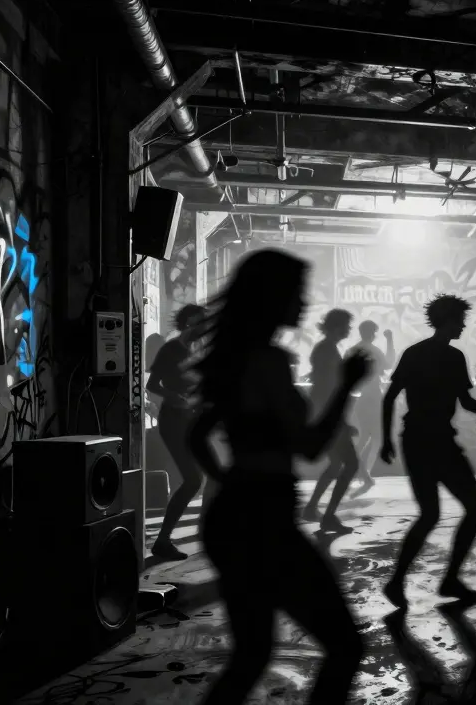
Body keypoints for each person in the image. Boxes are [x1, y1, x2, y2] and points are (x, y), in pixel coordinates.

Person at [187, 249, 368, 705]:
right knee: (345, 646)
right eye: (297, 293)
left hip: (236, 515)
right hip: (263, 519)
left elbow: (196, 436)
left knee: (251, 656)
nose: (304, 303)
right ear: (271, 298)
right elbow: (309, 447)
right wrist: (347, 385)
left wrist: (230, 482)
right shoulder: (267, 361)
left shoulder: (235, 358)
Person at [379, 295, 476, 612]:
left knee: (431, 514)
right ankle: (447, 580)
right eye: (460, 321)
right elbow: (467, 403)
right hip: (438, 442)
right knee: (473, 508)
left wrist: (387, 440)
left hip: (416, 440)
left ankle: (400, 581)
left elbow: (390, 398)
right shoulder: (454, 357)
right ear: (448, 321)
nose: (464, 326)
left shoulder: (416, 353)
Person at [145, 304, 207, 560]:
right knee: (193, 479)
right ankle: (162, 540)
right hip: (173, 421)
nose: (203, 328)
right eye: (199, 323)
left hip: (190, 419)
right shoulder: (171, 349)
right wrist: (173, 396)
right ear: (188, 324)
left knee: (197, 478)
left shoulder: (196, 349)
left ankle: (167, 538)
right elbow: (152, 385)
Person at [302, 309, 360, 533]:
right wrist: (341, 421)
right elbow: (328, 390)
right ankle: (328, 516)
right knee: (351, 465)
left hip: (324, 417)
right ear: (338, 326)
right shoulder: (327, 350)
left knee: (336, 464)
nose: (349, 329)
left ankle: (312, 508)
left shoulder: (325, 349)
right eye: (347, 325)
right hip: (330, 418)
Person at [346, 320, 395, 498]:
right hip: (373, 397)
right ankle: (363, 472)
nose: (375, 335)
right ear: (372, 333)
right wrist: (389, 340)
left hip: (360, 398)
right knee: (375, 437)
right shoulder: (373, 350)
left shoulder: (352, 350)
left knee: (366, 436)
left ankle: (361, 472)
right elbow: (389, 364)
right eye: (375, 332)